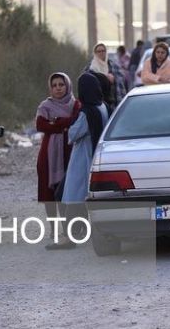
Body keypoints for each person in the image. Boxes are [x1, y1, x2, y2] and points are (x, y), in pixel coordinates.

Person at [50, 72, 109, 250]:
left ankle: (70, 238)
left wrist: (69, 125)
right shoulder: (102, 107)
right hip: (94, 157)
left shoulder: (87, 112)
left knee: (70, 199)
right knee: (73, 197)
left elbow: (73, 134)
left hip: (82, 159)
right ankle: (78, 233)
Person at [35, 73, 81, 211]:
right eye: (54, 85)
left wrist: (56, 121)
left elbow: (75, 120)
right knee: (49, 194)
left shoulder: (75, 104)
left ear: (67, 86)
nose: (58, 88)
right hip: (48, 155)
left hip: (70, 151)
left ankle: (67, 226)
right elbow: (41, 125)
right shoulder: (45, 106)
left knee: (66, 191)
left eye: (61, 84)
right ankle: (53, 229)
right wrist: (64, 124)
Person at [84, 42, 126, 109]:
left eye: (103, 51)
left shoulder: (112, 65)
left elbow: (121, 80)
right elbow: (86, 81)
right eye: (99, 51)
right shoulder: (90, 67)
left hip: (112, 100)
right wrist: (104, 77)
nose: (101, 53)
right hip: (97, 101)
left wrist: (114, 79)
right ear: (95, 53)